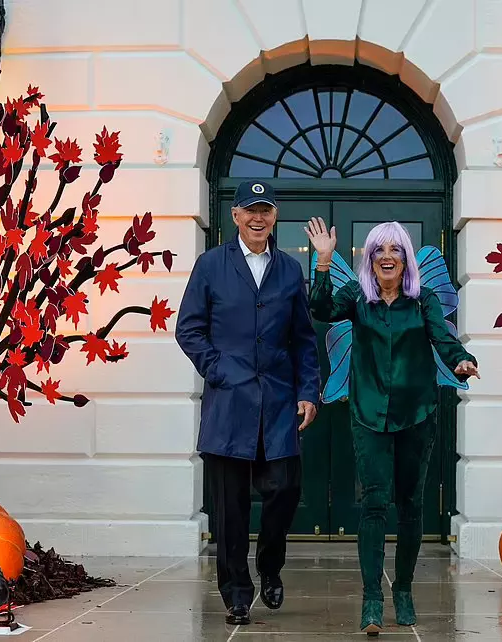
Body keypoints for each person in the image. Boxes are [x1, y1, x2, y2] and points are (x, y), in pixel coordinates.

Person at [304, 218, 479, 635]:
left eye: (395, 249)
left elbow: (443, 339)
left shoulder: (423, 301)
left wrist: (460, 360)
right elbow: (320, 310)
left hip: (416, 414)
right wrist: (324, 262)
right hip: (369, 415)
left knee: (411, 505)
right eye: (378, 250)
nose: (386, 256)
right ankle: (371, 600)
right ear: (369, 258)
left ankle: (403, 590)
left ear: (405, 259)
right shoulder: (356, 297)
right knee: (374, 503)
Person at [176, 180, 320, 626]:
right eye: (250, 210)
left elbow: (304, 339)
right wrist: (219, 369)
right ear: (235, 215)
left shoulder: (290, 269)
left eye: (266, 210)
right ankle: (236, 593)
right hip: (229, 404)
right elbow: (188, 329)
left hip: (278, 402)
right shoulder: (210, 265)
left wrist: (307, 391)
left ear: (274, 217)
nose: (259, 218)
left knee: (285, 490)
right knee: (230, 507)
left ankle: (270, 565)